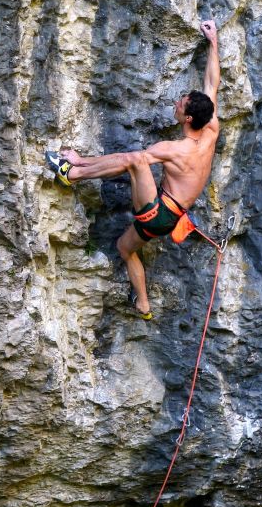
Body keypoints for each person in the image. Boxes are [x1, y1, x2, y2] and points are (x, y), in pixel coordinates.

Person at [46, 20, 221, 320]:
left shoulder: (174, 149)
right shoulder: (211, 128)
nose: (177, 102)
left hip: (160, 213)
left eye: (182, 103)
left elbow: (130, 158)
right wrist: (213, 43)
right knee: (125, 248)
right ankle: (143, 304)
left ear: (188, 117)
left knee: (136, 160)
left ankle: (72, 173)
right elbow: (212, 83)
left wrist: (81, 160)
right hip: (170, 217)